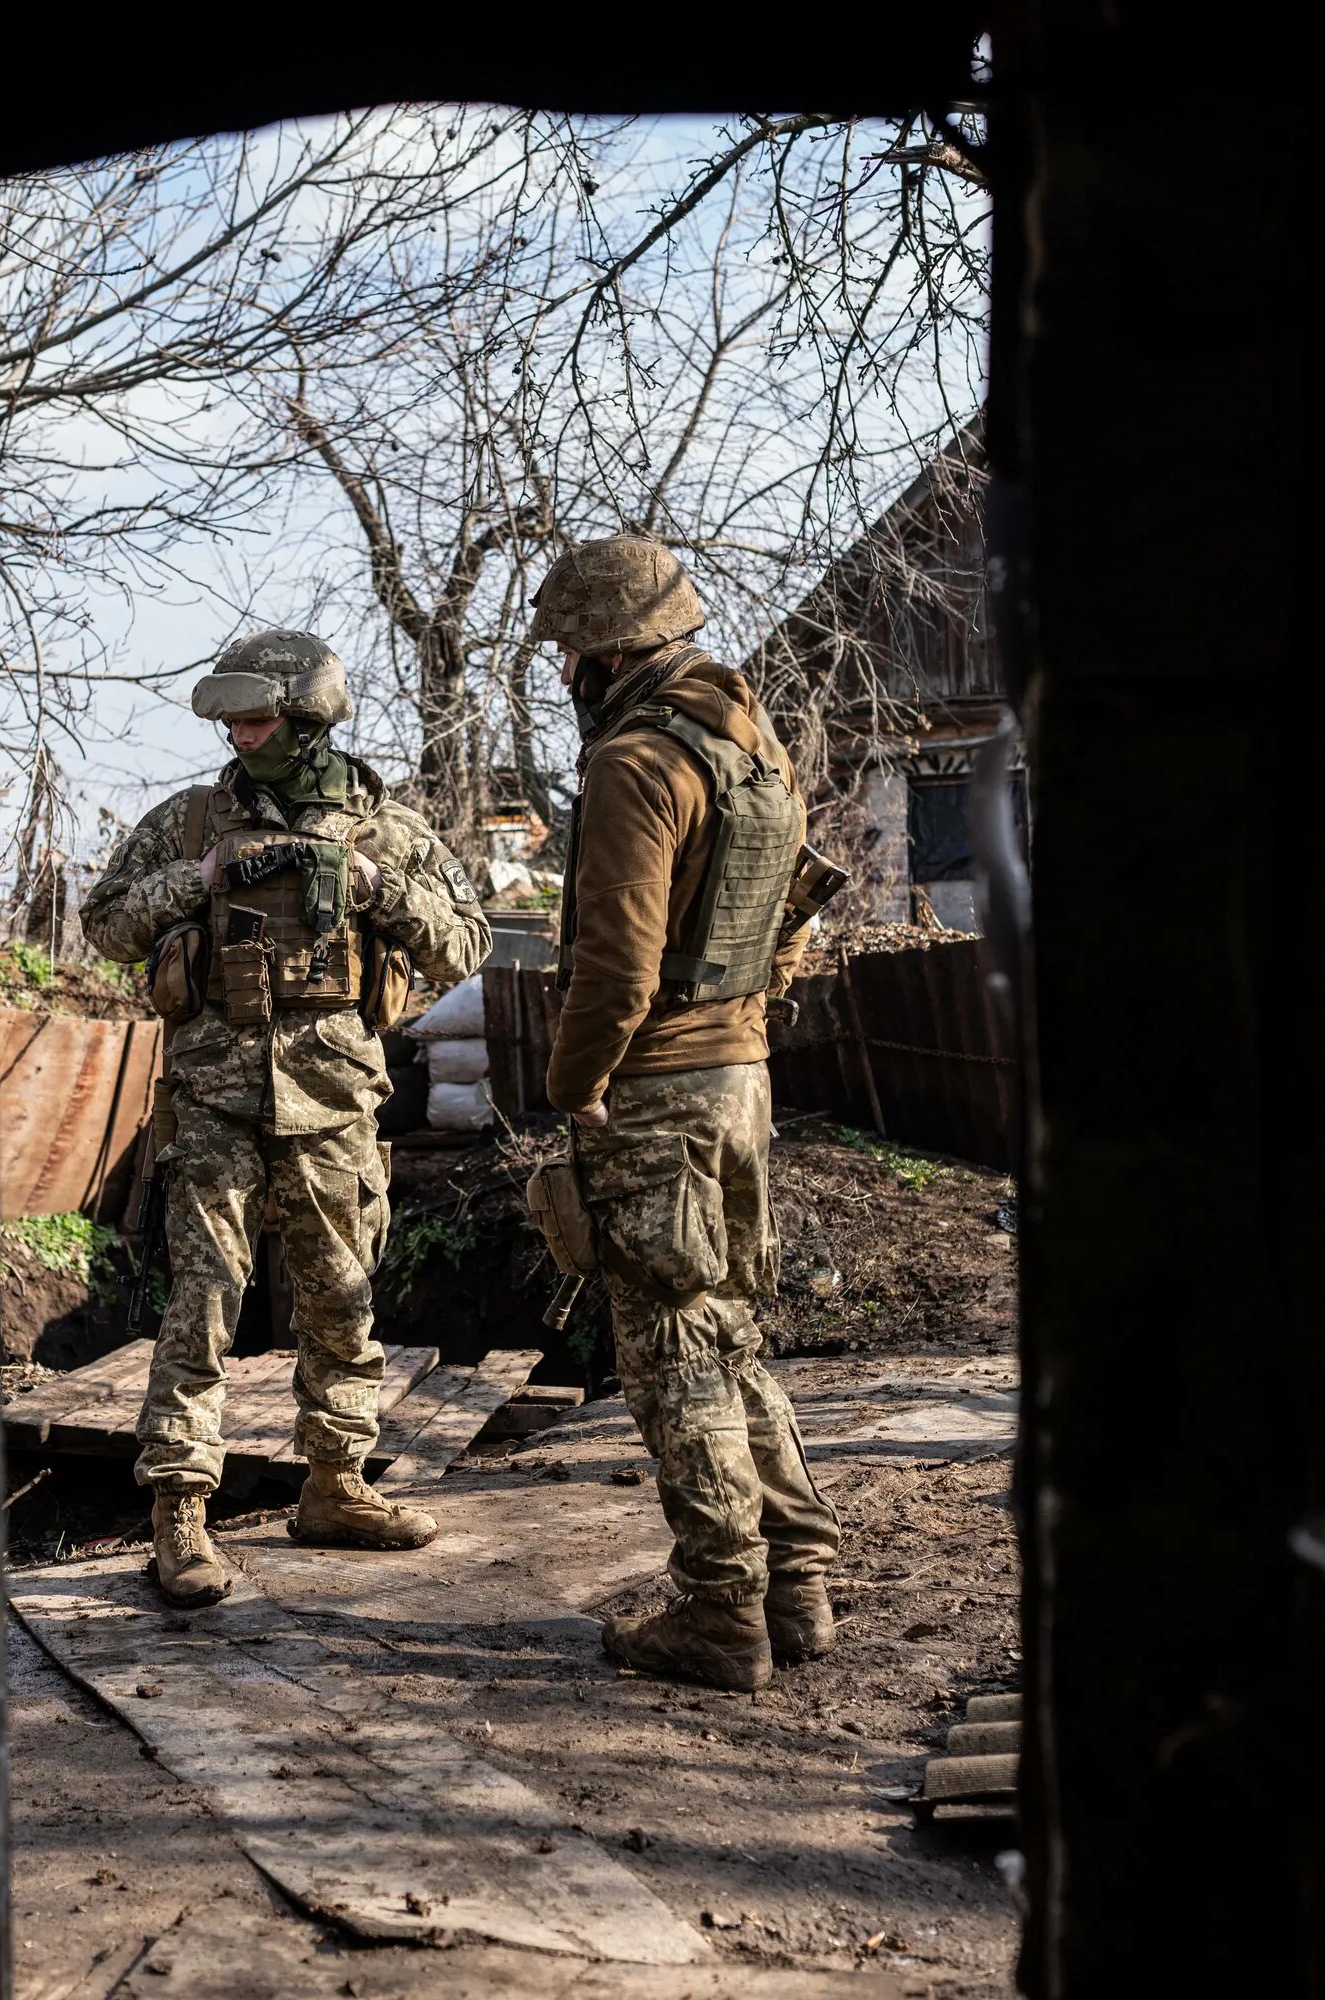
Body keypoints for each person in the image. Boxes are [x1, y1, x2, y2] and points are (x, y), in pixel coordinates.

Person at [81, 630, 493, 1607]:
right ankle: (180, 1507)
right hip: (215, 1101)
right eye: (230, 716)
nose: (236, 730)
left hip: (337, 1103)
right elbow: (103, 922)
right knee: (203, 1299)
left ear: (307, 717)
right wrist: (202, 877)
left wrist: (376, 888)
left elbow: (466, 943)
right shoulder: (189, 819)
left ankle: (337, 1484)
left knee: (341, 1301)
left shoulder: (384, 827)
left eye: (256, 714)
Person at [532, 535, 843, 1692]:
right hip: (741, 1077)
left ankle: (724, 1611)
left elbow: (614, 962)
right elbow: (799, 909)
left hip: (658, 1086)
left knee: (671, 1345)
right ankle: (798, 1580)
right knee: (728, 1329)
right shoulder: (748, 740)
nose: (563, 671)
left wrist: (577, 1086)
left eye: (569, 651)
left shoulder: (634, 762)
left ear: (607, 651)